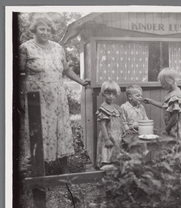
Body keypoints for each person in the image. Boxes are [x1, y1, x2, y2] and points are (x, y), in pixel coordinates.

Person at [19, 15, 90, 174]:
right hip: (36, 98)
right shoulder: (25, 48)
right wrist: (20, 97)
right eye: (41, 29)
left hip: (58, 96)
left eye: (48, 29)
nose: (45, 32)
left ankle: (64, 168)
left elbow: (66, 70)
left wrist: (81, 81)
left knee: (61, 129)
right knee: (40, 130)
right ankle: (39, 169)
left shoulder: (58, 48)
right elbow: (18, 74)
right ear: (34, 30)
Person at [143, 68, 181, 151]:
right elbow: (165, 106)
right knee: (175, 147)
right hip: (173, 126)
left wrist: (167, 128)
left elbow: (175, 117)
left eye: (163, 83)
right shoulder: (174, 92)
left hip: (176, 127)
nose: (162, 85)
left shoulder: (174, 96)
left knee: (178, 146)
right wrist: (151, 101)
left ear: (170, 81)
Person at [95, 80, 123, 168]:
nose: (111, 96)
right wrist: (107, 139)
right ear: (103, 94)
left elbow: (120, 121)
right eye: (108, 93)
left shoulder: (116, 108)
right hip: (108, 137)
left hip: (116, 137)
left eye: (114, 94)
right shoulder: (103, 109)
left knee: (115, 157)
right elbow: (102, 125)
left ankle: (114, 174)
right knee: (107, 156)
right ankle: (105, 173)